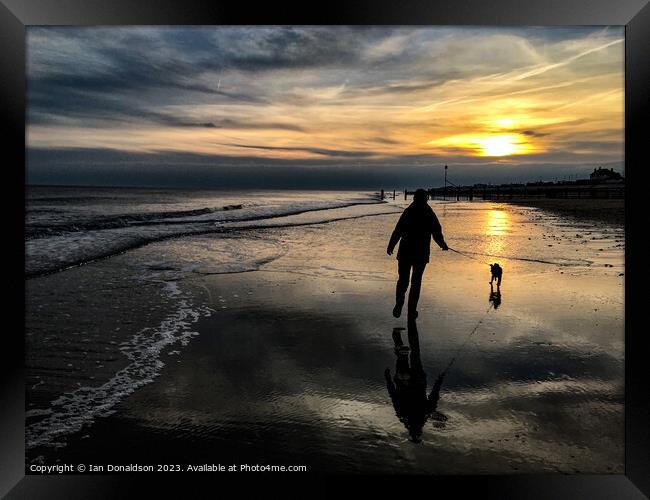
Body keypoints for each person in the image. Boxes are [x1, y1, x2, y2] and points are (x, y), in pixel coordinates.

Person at [387, 188, 448, 319]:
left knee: (403, 279)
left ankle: (399, 300)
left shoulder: (408, 212)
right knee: (416, 282)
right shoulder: (429, 213)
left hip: (405, 251)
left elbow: (398, 230)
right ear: (425, 199)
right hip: (421, 252)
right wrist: (442, 244)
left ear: (414, 198)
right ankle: (412, 310)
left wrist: (391, 245)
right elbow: (436, 231)